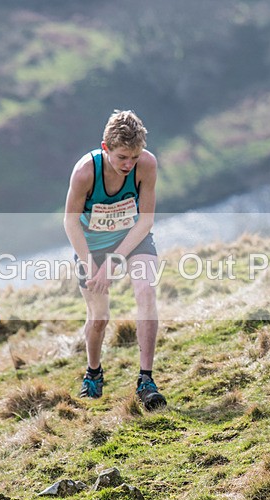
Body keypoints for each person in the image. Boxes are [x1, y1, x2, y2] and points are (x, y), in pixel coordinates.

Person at [63, 109, 166, 411]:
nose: (128, 165)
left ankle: (146, 380)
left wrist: (115, 261)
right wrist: (90, 263)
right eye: (122, 157)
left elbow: (146, 220)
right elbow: (70, 222)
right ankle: (93, 372)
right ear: (105, 148)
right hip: (91, 248)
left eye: (134, 157)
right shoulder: (85, 172)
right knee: (99, 318)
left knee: (146, 292)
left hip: (133, 240)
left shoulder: (146, 165)